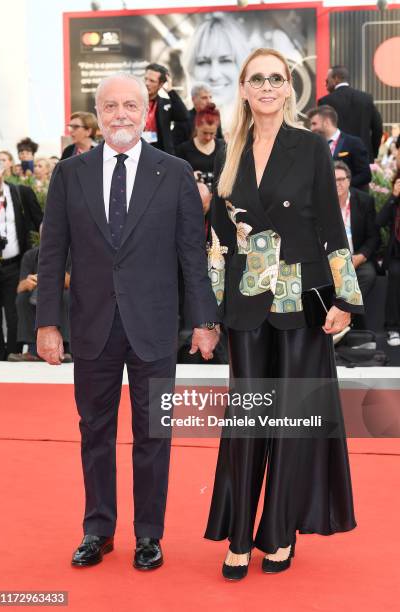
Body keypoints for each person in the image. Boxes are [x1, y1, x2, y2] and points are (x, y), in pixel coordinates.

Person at [36, 72, 219, 570]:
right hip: (92, 325)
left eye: (130, 106)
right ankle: (97, 528)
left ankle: (148, 534)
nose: (121, 114)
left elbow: (191, 254)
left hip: (155, 326)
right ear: (98, 115)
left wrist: (204, 319)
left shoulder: (175, 172)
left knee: (153, 433)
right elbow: (52, 253)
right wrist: (47, 322)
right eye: (111, 106)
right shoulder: (70, 174)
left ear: (146, 113)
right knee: (94, 431)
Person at [204, 48, 362, 580]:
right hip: (247, 302)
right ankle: (240, 534)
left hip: (302, 297)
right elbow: (220, 240)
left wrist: (345, 298)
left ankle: (279, 532)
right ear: (244, 89)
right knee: (249, 418)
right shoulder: (232, 150)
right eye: (257, 79)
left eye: (277, 78)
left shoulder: (311, 147)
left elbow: (331, 228)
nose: (267, 86)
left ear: (288, 88)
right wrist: (209, 310)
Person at [0, 158, 43, 360]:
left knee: (14, 314)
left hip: (14, 263)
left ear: (3, 175)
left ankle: (13, 355)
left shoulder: (20, 193)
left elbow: (41, 223)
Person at [7, 228, 72, 363]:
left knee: (66, 297)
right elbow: (20, 287)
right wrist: (28, 282)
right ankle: (32, 349)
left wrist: (52, 276)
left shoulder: (70, 254)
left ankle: (64, 349)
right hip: (37, 292)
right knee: (23, 298)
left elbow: (73, 283)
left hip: (62, 291)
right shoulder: (30, 255)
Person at [184, 13, 250, 131]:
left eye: (225, 61)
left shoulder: (260, 127)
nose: (214, 75)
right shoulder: (180, 123)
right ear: (191, 69)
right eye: (203, 62)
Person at [334, 161, 379, 329]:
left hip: (357, 259)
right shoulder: (322, 203)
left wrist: (359, 258)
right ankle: (346, 323)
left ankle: (343, 318)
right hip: (331, 260)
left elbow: (373, 238)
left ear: (349, 180)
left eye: (341, 179)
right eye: (333, 180)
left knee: (368, 275)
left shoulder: (364, 201)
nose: (337, 184)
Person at [318, 65, 383, 162]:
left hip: (336, 159)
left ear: (336, 79)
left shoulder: (325, 101)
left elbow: (321, 132)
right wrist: (372, 152)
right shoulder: (366, 99)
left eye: (327, 81)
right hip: (363, 156)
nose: (325, 85)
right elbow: (378, 127)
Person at [308, 105, 371, 191]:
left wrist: (342, 186)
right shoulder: (314, 146)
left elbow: (365, 175)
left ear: (326, 122)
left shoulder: (353, 143)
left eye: (314, 124)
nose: (311, 128)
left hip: (347, 199)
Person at [376, 147, 400, 346]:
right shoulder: (396, 191)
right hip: (397, 253)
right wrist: (393, 196)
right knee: (395, 276)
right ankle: (392, 328)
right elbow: (380, 221)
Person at [143, 63, 189, 155]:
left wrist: (171, 91)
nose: (147, 83)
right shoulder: (133, 102)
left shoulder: (165, 104)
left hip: (160, 152)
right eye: (146, 79)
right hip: (138, 149)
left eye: (152, 81)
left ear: (160, 85)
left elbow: (184, 116)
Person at [176, 103, 225, 189]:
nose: (208, 137)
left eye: (212, 133)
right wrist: (190, 177)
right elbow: (177, 177)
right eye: (204, 133)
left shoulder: (223, 147)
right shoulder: (184, 149)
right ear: (197, 127)